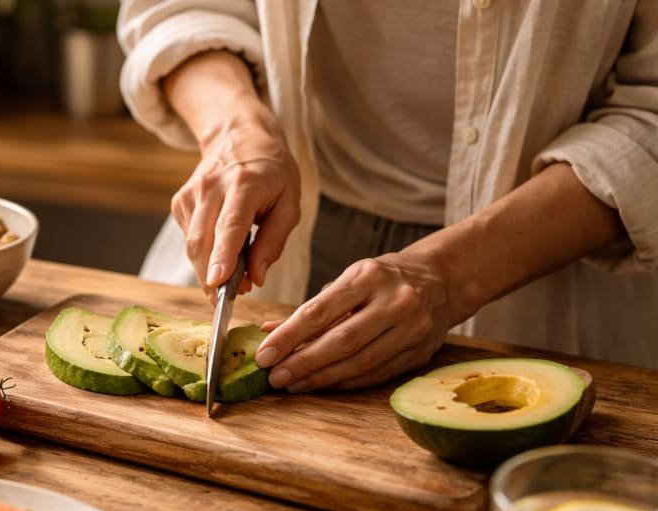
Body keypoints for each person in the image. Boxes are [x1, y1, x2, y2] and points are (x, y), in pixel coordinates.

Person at [118, 1, 658, 392]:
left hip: (547, 258)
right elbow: (175, 8)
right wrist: (233, 131)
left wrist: (452, 275)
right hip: (285, 219)